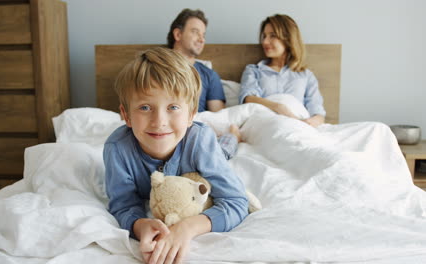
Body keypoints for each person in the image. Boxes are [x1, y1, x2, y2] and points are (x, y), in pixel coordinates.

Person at [104, 47, 248, 264]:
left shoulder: (200, 140)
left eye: (172, 107)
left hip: (209, 145)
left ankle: (233, 135)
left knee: (225, 149)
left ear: (191, 114)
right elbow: (123, 205)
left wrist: (187, 228)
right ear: (126, 115)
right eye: (144, 107)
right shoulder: (117, 149)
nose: (159, 121)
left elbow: (236, 201)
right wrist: (140, 225)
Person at [167, 8, 241, 158]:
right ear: (178, 34)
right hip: (163, 123)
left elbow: (217, 118)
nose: (202, 39)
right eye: (195, 32)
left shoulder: (209, 75)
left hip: (192, 127)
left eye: (203, 35)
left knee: (215, 152)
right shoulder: (153, 67)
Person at [239, 14, 326, 127]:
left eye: (272, 36)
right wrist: (278, 107)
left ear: (288, 39)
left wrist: (306, 124)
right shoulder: (254, 71)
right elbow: (248, 99)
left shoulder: (306, 76)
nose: (265, 42)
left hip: (299, 126)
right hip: (267, 124)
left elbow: (318, 113)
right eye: (264, 36)